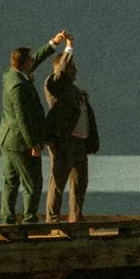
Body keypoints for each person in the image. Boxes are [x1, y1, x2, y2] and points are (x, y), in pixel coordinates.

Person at [0, 31, 68, 224]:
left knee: (10, 181)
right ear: (24, 64)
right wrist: (33, 144)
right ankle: (29, 220)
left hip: (6, 139)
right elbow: (22, 118)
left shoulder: (10, 75)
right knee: (32, 183)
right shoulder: (18, 87)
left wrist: (54, 43)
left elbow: (35, 59)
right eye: (30, 60)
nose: (33, 62)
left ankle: (7, 218)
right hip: (21, 142)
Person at [42, 48, 100, 222]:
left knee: (79, 184)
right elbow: (61, 72)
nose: (76, 70)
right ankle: (52, 221)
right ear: (62, 67)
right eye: (72, 66)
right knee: (58, 183)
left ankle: (76, 218)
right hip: (63, 143)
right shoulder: (55, 86)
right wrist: (68, 47)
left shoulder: (76, 91)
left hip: (80, 144)